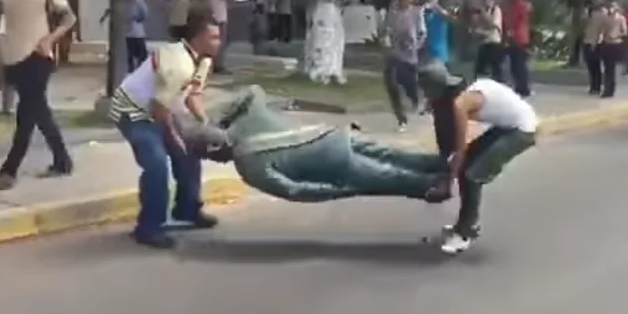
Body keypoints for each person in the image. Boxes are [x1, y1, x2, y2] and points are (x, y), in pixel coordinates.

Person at [177, 84, 451, 204]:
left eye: (211, 157)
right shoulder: (249, 120)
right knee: (395, 156)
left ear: (214, 152)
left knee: (388, 177)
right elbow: (253, 92)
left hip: (334, 166)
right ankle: (443, 165)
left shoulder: (248, 169)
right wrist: (215, 119)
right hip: (332, 136)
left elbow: (293, 190)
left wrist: (336, 191)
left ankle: (433, 185)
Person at [108, 8, 222, 249]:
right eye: (213, 37)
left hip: (161, 108)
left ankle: (188, 209)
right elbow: (160, 111)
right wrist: (176, 139)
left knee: (190, 154)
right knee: (158, 165)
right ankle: (148, 228)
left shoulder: (203, 60)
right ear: (197, 39)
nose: (219, 42)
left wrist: (205, 124)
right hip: (133, 112)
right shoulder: (178, 63)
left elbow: (193, 94)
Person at [0, 0, 77, 190]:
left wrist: (49, 38)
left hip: (39, 57)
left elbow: (69, 18)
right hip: (13, 58)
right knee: (39, 111)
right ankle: (62, 160)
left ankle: (9, 170)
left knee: (27, 113)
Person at [418, 61, 538, 254]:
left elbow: (460, 147)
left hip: (523, 130)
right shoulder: (460, 93)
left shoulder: (461, 104)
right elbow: (446, 142)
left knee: (473, 175)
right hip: (506, 126)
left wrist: (450, 179)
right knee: (468, 169)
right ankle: (464, 224)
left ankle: (466, 232)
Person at [382, 0, 426, 131]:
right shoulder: (392, 12)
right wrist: (386, 39)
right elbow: (386, 30)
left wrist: (415, 46)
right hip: (394, 55)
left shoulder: (416, 13)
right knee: (391, 83)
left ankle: (417, 101)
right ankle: (402, 119)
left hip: (410, 57)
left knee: (409, 86)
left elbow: (422, 34)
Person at [598, 1, 627, 98]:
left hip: (616, 43)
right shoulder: (606, 19)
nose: (611, 9)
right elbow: (602, 31)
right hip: (607, 44)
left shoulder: (621, 19)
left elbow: (625, 32)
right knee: (607, 68)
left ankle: (611, 89)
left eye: (613, 7)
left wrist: (617, 34)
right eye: (610, 7)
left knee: (612, 68)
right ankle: (607, 89)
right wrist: (601, 38)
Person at [473, 0, 504, 82]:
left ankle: (499, 84)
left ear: (493, 1)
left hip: (494, 41)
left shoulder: (496, 10)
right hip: (484, 42)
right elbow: (478, 25)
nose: (486, 3)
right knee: (479, 67)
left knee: (496, 67)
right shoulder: (482, 11)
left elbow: (493, 25)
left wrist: (484, 15)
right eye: (484, 1)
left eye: (489, 1)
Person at [423, 0, 453, 66]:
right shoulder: (426, 13)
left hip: (440, 54)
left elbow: (448, 16)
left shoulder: (441, 12)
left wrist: (435, 5)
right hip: (428, 53)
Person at [583, 0, 607, 95]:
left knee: (592, 66)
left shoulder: (591, 16)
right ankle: (596, 86)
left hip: (591, 42)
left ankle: (594, 86)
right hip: (596, 42)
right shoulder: (600, 16)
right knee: (596, 66)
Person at [124, 0, 149, 73]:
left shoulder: (125, 1)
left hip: (128, 31)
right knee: (141, 55)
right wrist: (138, 18)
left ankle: (131, 70)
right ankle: (139, 71)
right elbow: (145, 14)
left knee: (131, 54)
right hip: (137, 32)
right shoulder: (139, 1)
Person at [208, 0, 229, 73]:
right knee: (221, 43)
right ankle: (218, 65)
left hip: (212, 18)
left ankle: (212, 64)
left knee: (212, 43)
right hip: (221, 20)